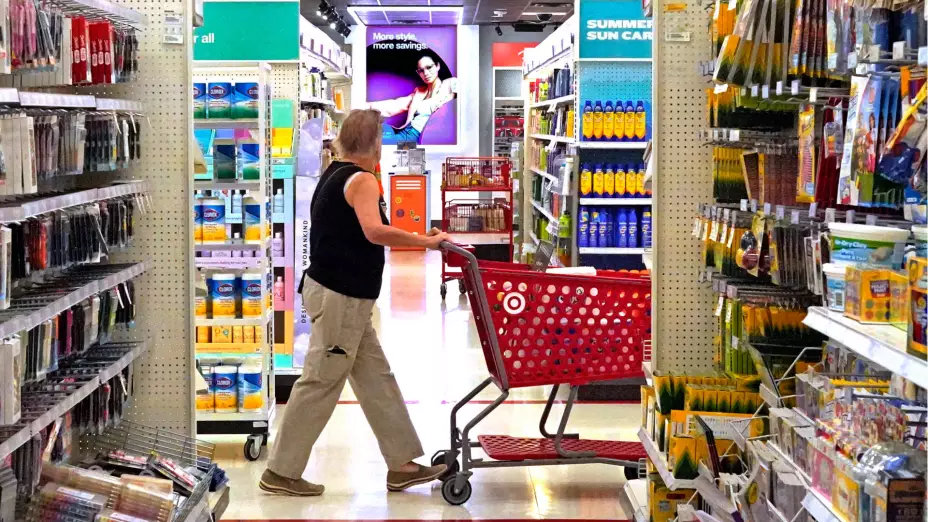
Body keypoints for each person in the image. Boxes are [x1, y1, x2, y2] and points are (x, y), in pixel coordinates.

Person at [259, 109, 451, 496]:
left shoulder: (335, 172)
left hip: (340, 295)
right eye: (381, 138)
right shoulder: (362, 180)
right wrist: (425, 242)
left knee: (376, 379)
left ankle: (402, 464)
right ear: (373, 144)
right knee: (320, 380)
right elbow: (374, 231)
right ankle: (280, 471)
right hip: (341, 297)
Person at [367, 50, 458, 143]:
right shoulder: (419, 92)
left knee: (376, 142)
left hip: (413, 142)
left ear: (437, 66)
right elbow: (394, 105)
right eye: (421, 70)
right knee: (368, 128)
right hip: (404, 133)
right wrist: (365, 106)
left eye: (429, 67)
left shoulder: (450, 84)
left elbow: (463, 103)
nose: (426, 73)